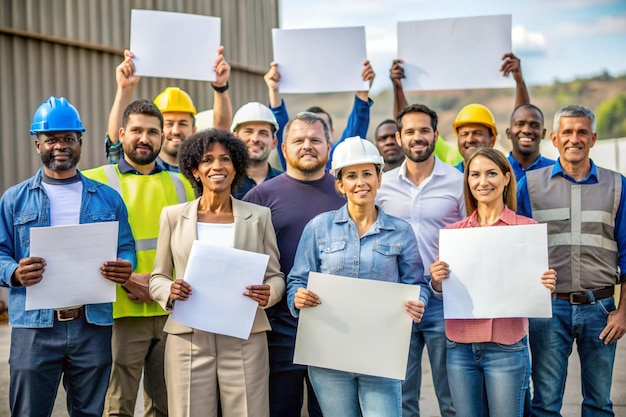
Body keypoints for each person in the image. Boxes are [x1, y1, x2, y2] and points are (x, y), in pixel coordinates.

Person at [0, 97, 136, 416]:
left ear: (80, 143)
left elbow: (126, 246)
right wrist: (15, 273)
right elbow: (1, 252)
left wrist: (125, 265)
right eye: (52, 139)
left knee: (89, 411)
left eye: (68, 139)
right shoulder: (14, 200)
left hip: (91, 325)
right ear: (38, 145)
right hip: (34, 328)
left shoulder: (107, 198)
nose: (60, 145)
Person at [287, 136, 429, 417]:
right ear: (340, 184)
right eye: (351, 175)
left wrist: (418, 302)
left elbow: (416, 284)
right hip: (329, 354)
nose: (360, 182)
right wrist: (298, 297)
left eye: (367, 173)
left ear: (379, 178)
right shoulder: (318, 228)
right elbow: (296, 281)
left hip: (381, 353)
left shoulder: (401, 232)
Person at [149, 129, 285, 417]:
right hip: (188, 339)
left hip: (245, 337)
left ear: (235, 167)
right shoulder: (173, 216)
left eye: (225, 159)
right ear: (195, 170)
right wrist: (168, 291)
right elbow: (157, 277)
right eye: (207, 160)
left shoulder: (259, 217)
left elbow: (276, 276)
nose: (217, 166)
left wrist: (269, 293)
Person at [83, 99, 195, 417]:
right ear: (121, 134)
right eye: (136, 130)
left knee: (165, 404)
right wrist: (131, 280)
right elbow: (84, 246)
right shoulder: (96, 181)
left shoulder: (183, 182)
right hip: (119, 311)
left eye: (152, 132)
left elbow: (190, 245)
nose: (144, 138)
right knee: (117, 405)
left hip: (171, 310)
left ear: (162, 137)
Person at [429, 147, 557, 417]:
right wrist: (437, 280)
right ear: (468, 181)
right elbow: (442, 292)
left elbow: (538, 295)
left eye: (491, 173)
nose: (482, 181)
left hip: (507, 346)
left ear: (507, 178)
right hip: (460, 347)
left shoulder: (525, 230)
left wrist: (546, 285)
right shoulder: (454, 235)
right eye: (475, 175)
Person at [517, 104, 626, 416]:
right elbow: (519, 252)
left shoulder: (618, 186)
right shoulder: (530, 186)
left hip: (601, 310)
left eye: (581, 132)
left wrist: (622, 313)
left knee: (599, 404)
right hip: (549, 309)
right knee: (546, 404)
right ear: (554, 138)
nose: (574, 138)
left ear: (593, 138)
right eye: (567, 132)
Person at [242, 112, 345, 417]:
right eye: (298, 140)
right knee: (280, 409)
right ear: (283, 149)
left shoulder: (346, 194)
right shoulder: (259, 196)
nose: (307, 146)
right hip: (279, 329)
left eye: (315, 139)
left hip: (336, 327)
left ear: (329, 145)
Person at [377, 103, 464, 417]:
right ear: (399, 138)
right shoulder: (382, 185)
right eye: (410, 131)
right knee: (401, 396)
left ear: (435, 135)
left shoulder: (456, 182)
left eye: (424, 130)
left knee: (452, 396)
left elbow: (470, 235)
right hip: (397, 300)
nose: (417, 137)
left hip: (444, 300)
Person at [105, 46, 232, 171]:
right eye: (169, 123)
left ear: (194, 130)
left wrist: (220, 87)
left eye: (182, 123)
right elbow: (116, 140)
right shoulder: (140, 162)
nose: (175, 131)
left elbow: (221, 133)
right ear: (159, 133)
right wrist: (124, 89)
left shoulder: (201, 169)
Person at [264, 60, 375, 171]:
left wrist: (363, 92)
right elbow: (281, 127)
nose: (307, 146)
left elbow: (354, 132)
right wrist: (274, 90)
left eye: (321, 128)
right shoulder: (293, 157)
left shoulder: (338, 156)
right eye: (300, 139)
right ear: (285, 149)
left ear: (331, 134)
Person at [388, 60, 462, 167]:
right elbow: (406, 120)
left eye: (478, 133)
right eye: (465, 133)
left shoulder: (456, 176)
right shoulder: (445, 151)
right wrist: (398, 88)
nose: (470, 140)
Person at [230, 102, 282, 199]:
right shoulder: (224, 183)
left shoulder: (285, 184)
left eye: (263, 133)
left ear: (274, 143)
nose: (255, 139)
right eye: (248, 132)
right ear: (235, 139)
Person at [506, 103, 555, 180]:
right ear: (508, 133)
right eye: (520, 124)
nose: (527, 130)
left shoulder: (555, 171)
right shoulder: (497, 168)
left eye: (535, 125)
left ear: (543, 134)